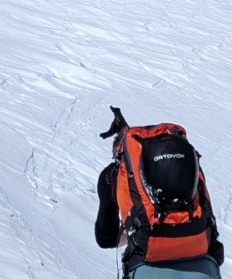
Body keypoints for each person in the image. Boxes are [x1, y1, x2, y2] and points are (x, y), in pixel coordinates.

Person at [96, 107, 224, 278]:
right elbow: (207, 216)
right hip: (202, 262)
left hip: (145, 263)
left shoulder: (113, 175)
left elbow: (106, 239)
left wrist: (133, 229)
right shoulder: (188, 167)